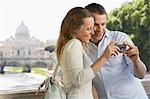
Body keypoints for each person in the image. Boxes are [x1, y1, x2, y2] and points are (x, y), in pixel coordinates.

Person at [84, 3, 148, 99]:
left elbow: (141, 75)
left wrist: (136, 61)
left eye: (103, 24)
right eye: (95, 25)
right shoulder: (81, 47)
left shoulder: (120, 38)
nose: (100, 29)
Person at [56, 7, 118, 99]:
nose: (92, 32)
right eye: (88, 29)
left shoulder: (70, 45)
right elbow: (79, 81)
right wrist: (104, 57)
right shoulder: (75, 44)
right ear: (75, 29)